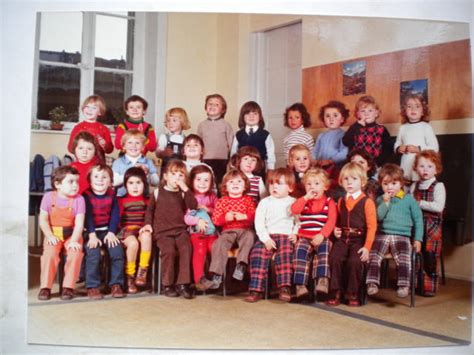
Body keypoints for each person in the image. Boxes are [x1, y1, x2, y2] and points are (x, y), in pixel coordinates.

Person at [366, 164, 423, 299]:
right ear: (381, 184)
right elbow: (378, 218)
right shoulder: (381, 199)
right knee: (374, 254)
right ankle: (372, 283)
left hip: (402, 236)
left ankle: (404, 285)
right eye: (385, 184)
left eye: (394, 183)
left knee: (403, 257)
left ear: (401, 183)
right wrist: (385, 203)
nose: (390, 187)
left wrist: (418, 239)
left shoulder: (409, 200)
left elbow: (418, 220)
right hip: (383, 235)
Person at [141, 160, 197, 298]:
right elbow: (150, 211)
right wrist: (148, 224)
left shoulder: (183, 193)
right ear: (165, 176)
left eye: (181, 175)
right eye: (174, 174)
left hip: (180, 230)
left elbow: (194, 206)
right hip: (162, 232)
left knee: (186, 248)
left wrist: (186, 189)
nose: (177, 178)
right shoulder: (157, 193)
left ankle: (183, 283)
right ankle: (167, 284)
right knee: (169, 251)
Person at [196, 169, 256, 291]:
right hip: (228, 231)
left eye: (239, 181)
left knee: (249, 237)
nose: (235, 184)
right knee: (218, 243)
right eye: (231, 182)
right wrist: (225, 218)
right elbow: (216, 220)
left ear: (245, 186)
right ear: (225, 186)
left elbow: (255, 215)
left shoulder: (248, 200)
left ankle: (241, 266)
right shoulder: (222, 201)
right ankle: (217, 275)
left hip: (244, 230)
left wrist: (245, 216)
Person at [327, 162, 377, 307]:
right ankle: (335, 291)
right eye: (346, 179)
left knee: (354, 261)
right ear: (341, 182)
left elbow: (372, 227)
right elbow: (336, 221)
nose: (349, 182)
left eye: (354, 179)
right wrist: (335, 230)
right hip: (343, 239)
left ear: (362, 182)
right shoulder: (341, 201)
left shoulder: (367, 202)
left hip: (359, 240)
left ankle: (352, 292)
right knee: (334, 258)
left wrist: (367, 247)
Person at [245, 168, 297, 303]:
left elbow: (299, 221)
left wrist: (295, 233)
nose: (274, 186)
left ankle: (284, 287)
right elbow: (259, 223)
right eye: (272, 183)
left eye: (279, 184)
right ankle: (256, 289)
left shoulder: (293, 202)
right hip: (268, 236)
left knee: (285, 255)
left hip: (286, 236)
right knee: (257, 254)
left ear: (290, 188)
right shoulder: (265, 202)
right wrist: (265, 239)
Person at [37, 166, 85, 301]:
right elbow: (43, 220)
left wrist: (75, 240)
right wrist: (49, 235)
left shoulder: (79, 199)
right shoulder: (48, 197)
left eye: (77, 181)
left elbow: (79, 224)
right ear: (57, 184)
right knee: (50, 254)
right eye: (71, 182)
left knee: (75, 254)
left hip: (71, 234)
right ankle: (45, 287)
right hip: (54, 234)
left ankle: (68, 287)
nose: (75, 185)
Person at [291, 168, 337, 298]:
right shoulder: (303, 201)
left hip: (321, 236)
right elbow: (294, 210)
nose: (313, 187)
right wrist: (305, 198)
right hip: (304, 236)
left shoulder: (329, 202)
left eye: (317, 184)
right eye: (309, 184)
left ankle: (322, 279)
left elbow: (331, 221)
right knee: (299, 252)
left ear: (325, 186)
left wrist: (322, 235)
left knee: (324, 251)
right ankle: (300, 285)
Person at [83, 164, 126, 300]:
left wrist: (112, 232)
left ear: (110, 181)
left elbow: (115, 215)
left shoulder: (112, 195)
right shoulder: (86, 196)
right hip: (90, 232)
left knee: (117, 252)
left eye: (104, 177)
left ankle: (116, 284)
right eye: (96, 176)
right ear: (89, 179)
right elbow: (87, 216)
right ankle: (92, 286)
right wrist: (91, 235)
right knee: (93, 254)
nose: (100, 180)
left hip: (107, 231)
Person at [410, 150, 446, 297]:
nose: (425, 170)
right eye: (422, 166)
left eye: (430, 166)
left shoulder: (438, 186)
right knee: (416, 253)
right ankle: (416, 285)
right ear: (416, 168)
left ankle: (429, 287)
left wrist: (419, 203)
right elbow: (408, 201)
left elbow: (438, 207)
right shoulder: (415, 186)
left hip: (432, 228)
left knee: (430, 256)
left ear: (436, 169)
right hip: (417, 225)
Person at [117, 167, 152, 294]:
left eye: (139, 183)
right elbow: (117, 220)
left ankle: (143, 270)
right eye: (131, 183)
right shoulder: (121, 200)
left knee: (147, 236)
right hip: (126, 231)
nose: (135, 187)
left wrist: (147, 226)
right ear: (125, 185)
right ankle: (130, 276)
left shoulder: (148, 200)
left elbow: (151, 217)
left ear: (144, 184)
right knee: (133, 243)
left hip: (141, 229)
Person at [184, 165, 219, 285]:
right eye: (198, 180)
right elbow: (186, 218)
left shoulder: (212, 197)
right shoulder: (189, 197)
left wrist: (209, 210)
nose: (202, 183)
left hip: (212, 233)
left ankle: (215, 277)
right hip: (197, 233)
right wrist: (198, 220)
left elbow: (219, 213)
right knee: (199, 249)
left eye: (206, 180)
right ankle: (199, 278)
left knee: (215, 248)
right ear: (192, 180)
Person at [394, 93, 439, 182]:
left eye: (417, 106)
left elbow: (435, 147)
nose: (413, 109)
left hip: (421, 165)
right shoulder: (403, 128)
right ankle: (401, 196)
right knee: (404, 186)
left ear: (423, 111)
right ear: (405, 111)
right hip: (405, 164)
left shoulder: (426, 127)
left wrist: (418, 149)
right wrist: (399, 148)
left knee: (418, 187)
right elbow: (397, 143)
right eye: (409, 106)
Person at [342, 95, 392, 167]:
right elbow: (346, 141)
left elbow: (387, 149)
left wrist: (378, 163)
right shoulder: (355, 128)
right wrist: (356, 125)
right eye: (363, 111)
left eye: (370, 110)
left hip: (375, 164)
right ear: (358, 114)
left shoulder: (382, 129)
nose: (366, 113)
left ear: (376, 113)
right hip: (356, 165)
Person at [197, 94, 234, 188]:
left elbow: (232, 144)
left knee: (220, 183)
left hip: (222, 160)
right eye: (210, 104)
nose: (212, 106)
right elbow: (198, 143)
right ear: (205, 108)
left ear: (223, 109)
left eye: (216, 104)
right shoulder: (202, 125)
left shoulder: (226, 125)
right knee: (206, 182)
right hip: (205, 159)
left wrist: (232, 160)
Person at [230, 101, 276, 171]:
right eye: (248, 113)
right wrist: (233, 167)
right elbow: (234, 152)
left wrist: (271, 169)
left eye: (255, 113)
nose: (251, 116)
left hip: (259, 170)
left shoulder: (265, 135)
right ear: (242, 117)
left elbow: (270, 153)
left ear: (260, 117)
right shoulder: (238, 134)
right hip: (242, 170)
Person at [112, 130, 159, 197]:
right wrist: (131, 171)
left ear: (143, 147)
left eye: (137, 143)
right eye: (130, 142)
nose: (133, 145)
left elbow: (156, 182)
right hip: (121, 198)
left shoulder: (148, 162)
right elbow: (114, 182)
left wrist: (147, 172)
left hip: (143, 198)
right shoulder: (118, 162)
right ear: (124, 146)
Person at [67, 95, 113, 162]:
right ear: (83, 109)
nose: (89, 110)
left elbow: (110, 150)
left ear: (100, 112)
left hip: (98, 165)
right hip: (81, 163)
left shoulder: (104, 129)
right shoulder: (78, 128)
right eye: (87, 107)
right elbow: (70, 148)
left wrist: (104, 145)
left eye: (94, 108)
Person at [312, 100, 349, 169]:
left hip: (335, 167)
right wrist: (313, 159)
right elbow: (315, 150)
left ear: (342, 119)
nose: (331, 118)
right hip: (320, 166)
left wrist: (330, 161)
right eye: (327, 116)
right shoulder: (321, 136)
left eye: (335, 115)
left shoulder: (344, 135)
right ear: (323, 119)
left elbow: (344, 153)